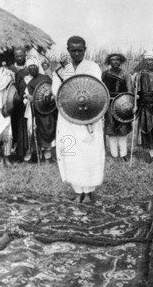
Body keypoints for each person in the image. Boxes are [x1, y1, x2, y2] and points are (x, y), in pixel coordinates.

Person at [52, 36, 105, 203]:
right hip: (68, 117)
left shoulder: (92, 67)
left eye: (80, 50)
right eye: (73, 50)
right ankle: (77, 190)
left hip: (88, 116)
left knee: (89, 153)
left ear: (85, 49)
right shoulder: (61, 71)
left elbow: (97, 90)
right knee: (71, 153)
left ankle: (88, 192)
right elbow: (57, 92)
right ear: (68, 50)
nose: (76, 53)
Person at [20, 58, 56, 162]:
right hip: (31, 110)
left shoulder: (45, 77)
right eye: (30, 67)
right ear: (28, 68)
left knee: (47, 130)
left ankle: (47, 156)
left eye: (34, 66)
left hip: (45, 110)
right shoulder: (26, 79)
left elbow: (51, 89)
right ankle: (34, 155)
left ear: (38, 67)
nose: (32, 69)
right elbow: (23, 93)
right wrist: (27, 97)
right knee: (33, 131)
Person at [102, 53, 134, 161]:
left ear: (120, 62)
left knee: (122, 129)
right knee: (111, 129)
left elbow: (130, 90)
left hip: (123, 105)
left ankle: (123, 153)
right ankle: (114, 154)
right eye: (113, 60)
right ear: (109, 62)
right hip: (109, 104)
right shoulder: (105, 74)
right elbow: (101, 89)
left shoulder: (125, 74)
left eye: (117, 60)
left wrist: (130, 102)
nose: (115, 62)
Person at [9, 46, 30, 161]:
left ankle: (27, 151)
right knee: (15, 126)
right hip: (14, 103)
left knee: (26, 127)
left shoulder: (29, 69)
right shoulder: (10, 69)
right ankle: (17, 152)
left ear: (25, 55)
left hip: (26, 103)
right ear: (14, 57)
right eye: (17, 56)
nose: (19, 58)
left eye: (21, 55)